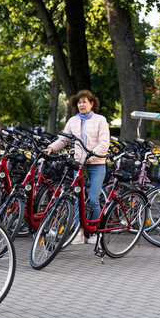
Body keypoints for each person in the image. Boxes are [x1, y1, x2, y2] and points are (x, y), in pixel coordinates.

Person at [44, 90, 110, 244]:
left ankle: (95, 232)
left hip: (97, 164)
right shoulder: (73, 121)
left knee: (93, 199)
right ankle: (77, 232)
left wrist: (90, 156)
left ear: (92, 104)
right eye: (79, 102)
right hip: (78, 166)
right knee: (77, 199)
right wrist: (51, 148)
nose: (82, 105)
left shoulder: (100, 120)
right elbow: (63, 140)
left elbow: (104, 143)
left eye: (85, 102)